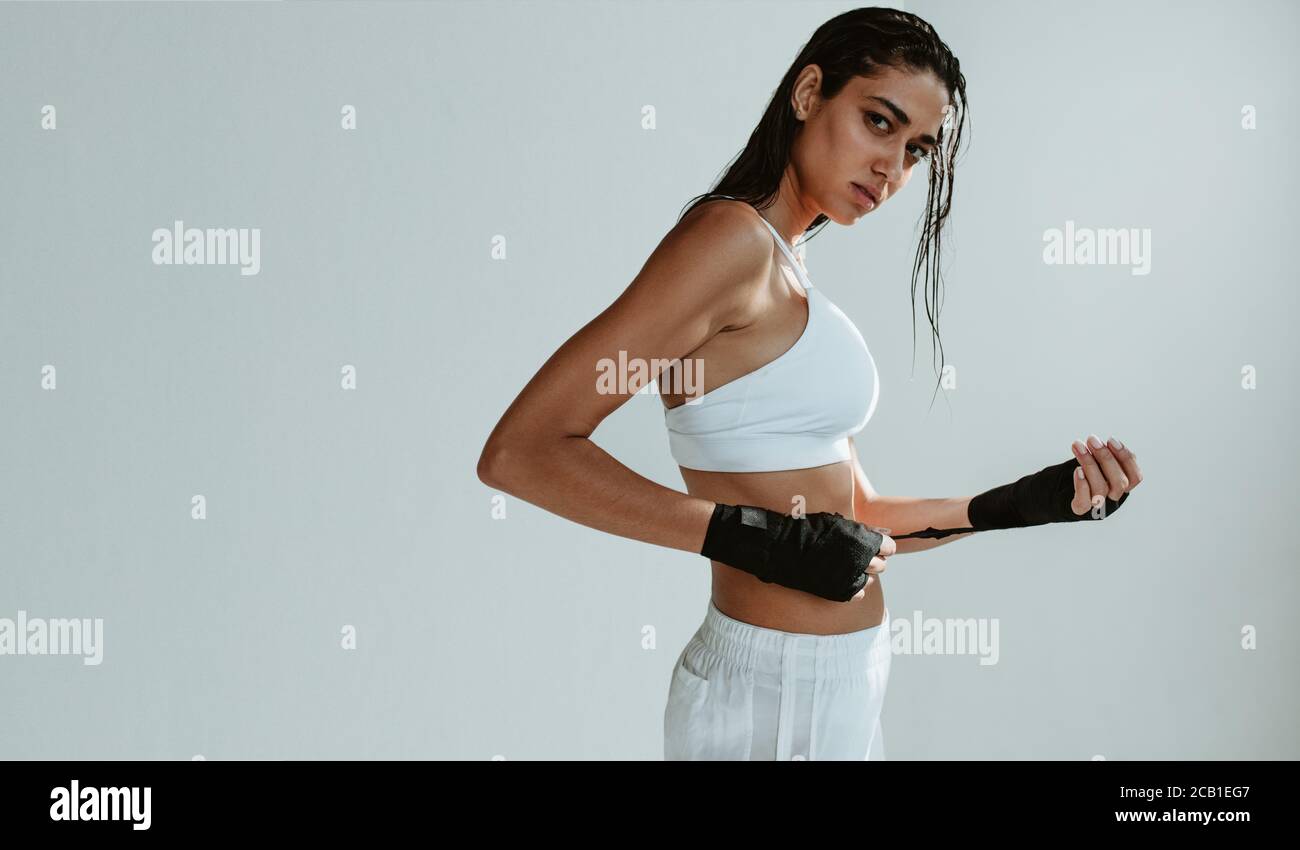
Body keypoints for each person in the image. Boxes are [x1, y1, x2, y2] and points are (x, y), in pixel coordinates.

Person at [477, 7, 1142, 760]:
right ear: (808, 93)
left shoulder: (787, 265)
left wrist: (1023, 503)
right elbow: (523, 451)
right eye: (878, 122)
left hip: (839, 686)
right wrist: (755, 539)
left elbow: (855, 519)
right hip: (769, 696)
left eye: (917, 149)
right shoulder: (729, 243)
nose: (893, 168)